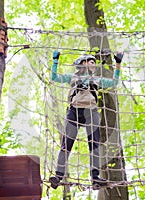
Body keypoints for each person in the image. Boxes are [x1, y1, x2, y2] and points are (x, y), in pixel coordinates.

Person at [49, 50, 123, 189]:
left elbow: (114, 83)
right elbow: (54, 77)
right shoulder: (72, 77)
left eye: (94, 62)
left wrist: (118, 64)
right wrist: (55, 60)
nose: (94, 65)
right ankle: (58, 176)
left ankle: (95, 178)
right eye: (91, 62)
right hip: (74, 112)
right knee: (66, 144)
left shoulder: (96, 80)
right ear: (83, 63)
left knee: (94, 144)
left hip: (91, 112)